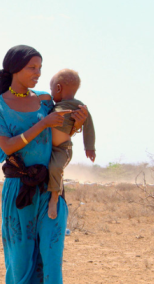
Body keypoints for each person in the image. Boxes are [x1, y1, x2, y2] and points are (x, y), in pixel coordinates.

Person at [0, 45, 88, 284]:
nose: (37, 74)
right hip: (19, 192)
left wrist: (75, 126)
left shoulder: (45, 101)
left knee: (51, 256)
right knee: (20, 257)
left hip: (50, 190)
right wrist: (42, 123)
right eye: (32, 68)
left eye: (40, 68)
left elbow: (57, 140)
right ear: (14, 69)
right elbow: (7, 146)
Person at [47, 69, 96, 219]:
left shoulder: (79, 107)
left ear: (59, 88)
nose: (51, 93)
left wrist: (90, 147)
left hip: (62, 149)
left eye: (52, 89)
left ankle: (54, 198)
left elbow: (89, 126)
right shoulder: (52, 107)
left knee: (55, 168)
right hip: (48, 148)